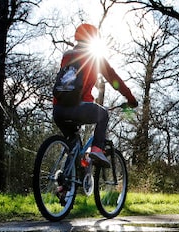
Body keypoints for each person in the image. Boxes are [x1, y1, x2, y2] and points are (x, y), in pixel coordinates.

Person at [53, 23, 138, 166]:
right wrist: (131, 99)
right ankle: (97, 149)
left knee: (73, 146)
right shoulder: (95, 57)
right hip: (79, 107)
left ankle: (66, 183)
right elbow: (115, 80)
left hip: (58, 110)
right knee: (103, 114)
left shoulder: (67, 56)